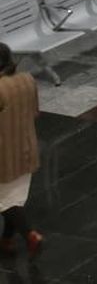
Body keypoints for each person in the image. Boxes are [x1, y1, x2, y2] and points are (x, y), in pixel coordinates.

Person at [0, 44, 41, 258]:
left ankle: (30, 235)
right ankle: (6, 240)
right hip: (26, 149)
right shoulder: (27, 79)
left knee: (6, 203)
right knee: (12, 200)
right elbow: (35, 112)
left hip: (4, 156)